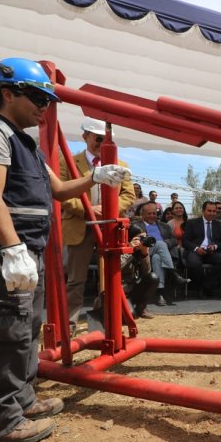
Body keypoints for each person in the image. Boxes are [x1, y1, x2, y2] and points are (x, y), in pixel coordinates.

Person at [0, 56, 131, 442]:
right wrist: (13, 248)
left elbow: (57, 190)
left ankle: (22, 401)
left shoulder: (28, 145)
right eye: (37, 96)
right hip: (2, 253)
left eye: (48, 99)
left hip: (24, 251)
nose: (44, 106)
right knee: (6, 335)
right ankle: (0, 422)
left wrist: (95, 177)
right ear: (7, 93)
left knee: (24, 332)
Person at [61, 117, 135, 334]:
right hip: (80, 227)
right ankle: (69, 323)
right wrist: (89, 210)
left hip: (109, 228)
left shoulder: (122, 166)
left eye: (107, 140)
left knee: (111, 277)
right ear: (85, 137)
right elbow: (63, 194)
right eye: (98, 138)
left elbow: (128, 195)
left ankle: (109, 318)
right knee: (76, 279)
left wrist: (109, 209)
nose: (102, 144)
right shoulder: (68, 162)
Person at [134, 202, 190, 306]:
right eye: (149, 214)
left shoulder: (164, 226)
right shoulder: (136, 226)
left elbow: (173, 240)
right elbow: (133, 241)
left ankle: (160, 294)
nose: (152, 216)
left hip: (161, 254)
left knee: (157, 258)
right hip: (144, 252)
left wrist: (166, 243)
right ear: (143, 215)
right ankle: (174, 274)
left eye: (154, 213)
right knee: (159, 243)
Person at [182, 201, 221, 298]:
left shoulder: (219, 225)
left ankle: (205, 286)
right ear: (203, 211)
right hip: (196, 251)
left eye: (214, 211)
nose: (212, 213)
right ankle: (202, 288)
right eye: (209, 211)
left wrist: (214, 246)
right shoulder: (192, 223)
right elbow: (185, 241)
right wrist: (196, 248)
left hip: (211, 252)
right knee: (193, 263)